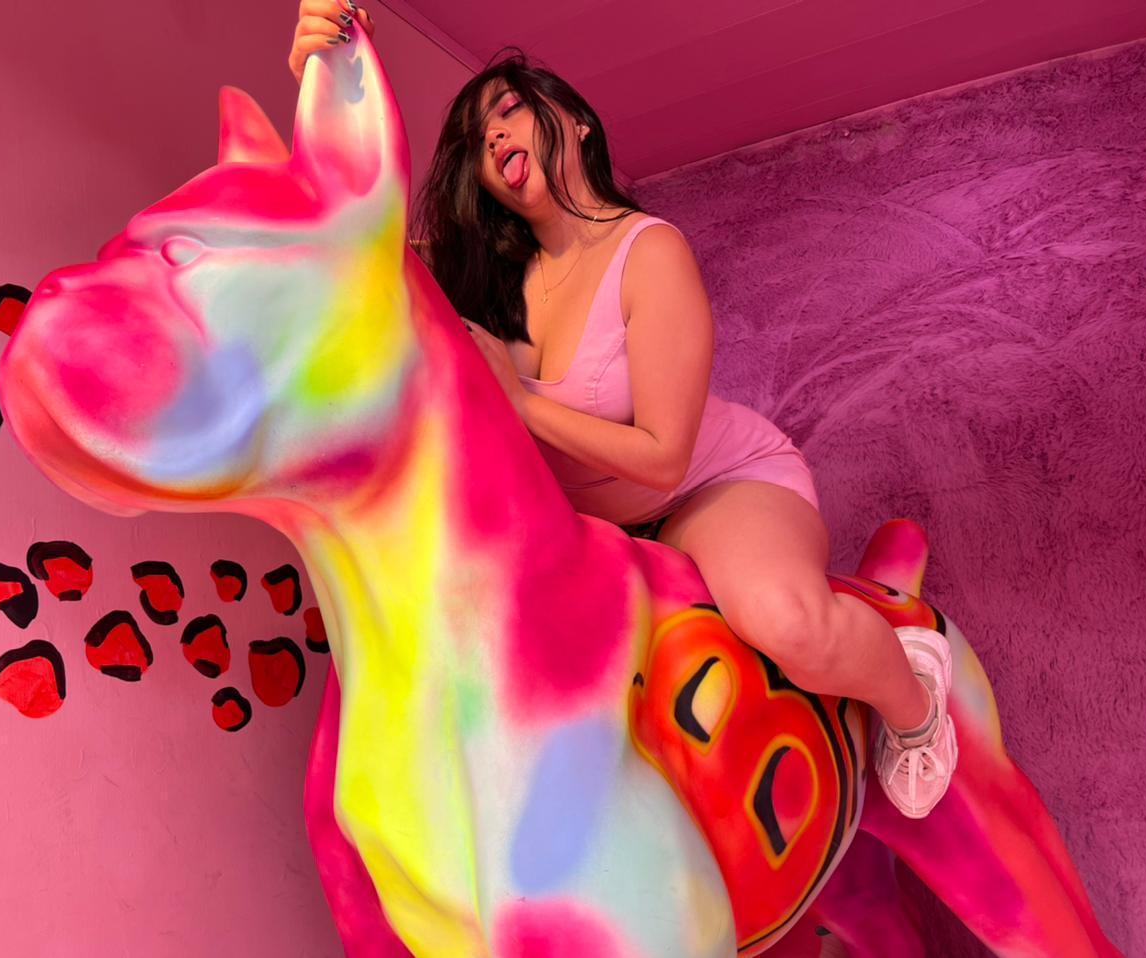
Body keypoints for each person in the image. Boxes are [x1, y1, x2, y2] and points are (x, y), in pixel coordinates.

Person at [288, 1, 958, 818]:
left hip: (710, 487)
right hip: (602, 529)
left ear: (575, 122)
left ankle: (912, 693)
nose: (493, 137)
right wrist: (327, 79)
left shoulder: (650, 250)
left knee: (787, 624)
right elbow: (351, 245)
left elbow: (664, 456)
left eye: (509, 110)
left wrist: (520, 404)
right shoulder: (486, 285)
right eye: (475, 138)